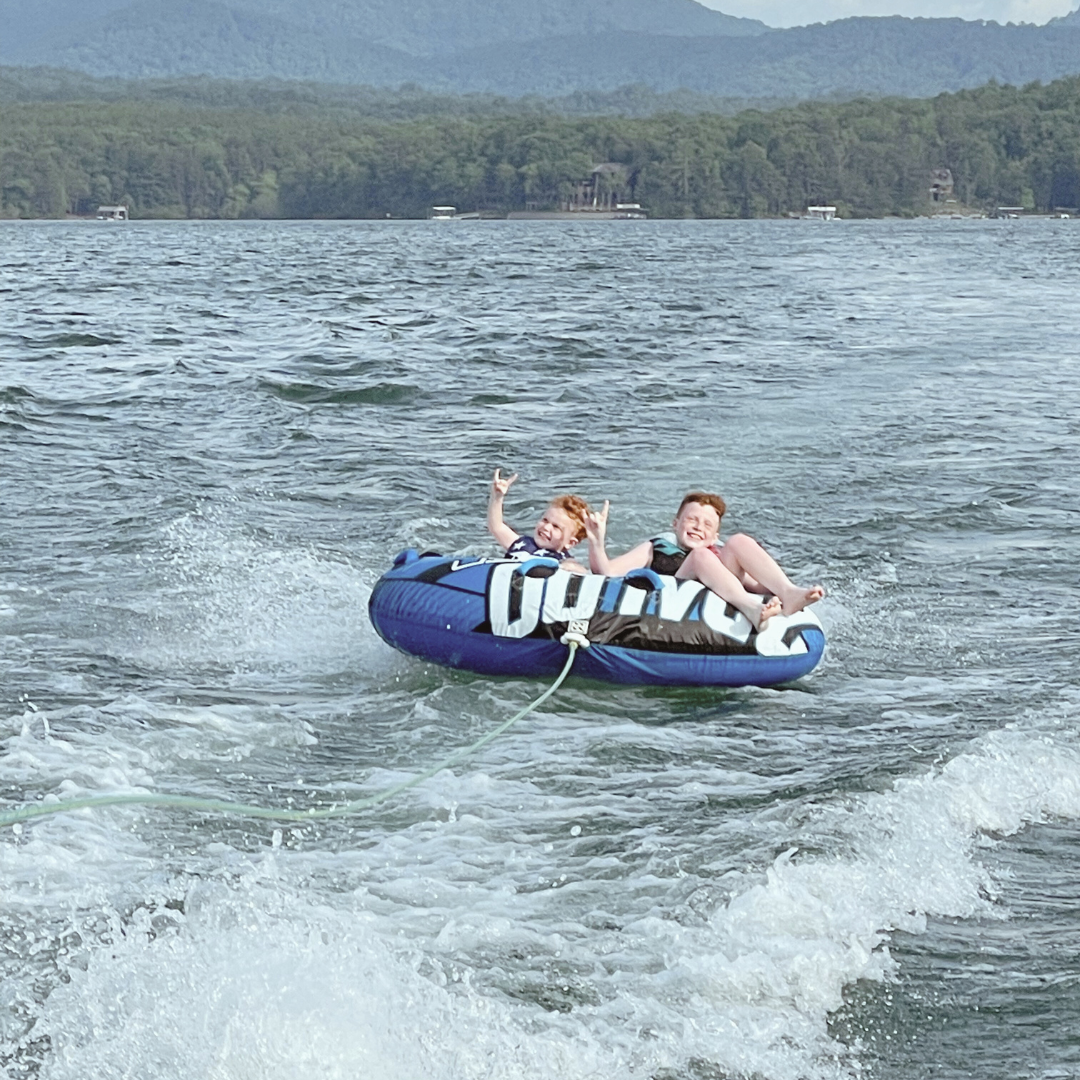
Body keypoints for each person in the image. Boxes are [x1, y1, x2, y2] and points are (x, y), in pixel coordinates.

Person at [584, 491, 824, 631]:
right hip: (674, 598)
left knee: (739, 541)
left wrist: (774, 596)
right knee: (700, 556)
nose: (698, 527)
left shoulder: (719, 552)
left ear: (715, 535)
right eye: (691, 520)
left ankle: (789, 592)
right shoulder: (655, 547)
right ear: (675, 524)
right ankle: (751, 610)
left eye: (707, 525)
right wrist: (596, 541)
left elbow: (756, 586)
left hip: (718, 597)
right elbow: (607, 573)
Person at [487, 469, 589, 573]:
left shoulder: (562, 559)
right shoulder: (522, 543)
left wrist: (568, 568)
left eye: (556, 527)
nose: (546, 527)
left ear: (570, 543)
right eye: (545, 520)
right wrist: (497, 497)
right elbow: (496, 527)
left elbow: (580, 570)